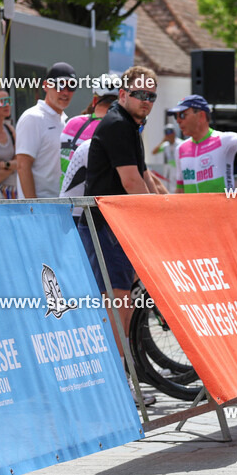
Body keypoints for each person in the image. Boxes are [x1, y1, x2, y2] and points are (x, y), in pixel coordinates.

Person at [82, 65, 167, 361]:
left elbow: (144, 175)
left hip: (120, 223)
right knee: (118, 302)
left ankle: (130, 370)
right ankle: (123, 377)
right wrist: (157, 219)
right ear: (122, 94)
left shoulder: (131, 124)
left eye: (152, 96)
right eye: (139, 94)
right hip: (106, 224)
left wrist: (166, 203)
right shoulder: (117, 123)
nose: (146, 100)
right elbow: (131, 182)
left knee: (124, 299)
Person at [59, 74, 122, 218]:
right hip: (92, 214)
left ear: (94, 100)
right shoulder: (114, 129)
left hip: (63, 206)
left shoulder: (72, 123)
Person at [169, 94, 237, 193]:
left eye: (182, 115)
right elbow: (180, 189)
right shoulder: (181, 148)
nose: (178, 120)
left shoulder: (223, 140)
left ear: (201, 116)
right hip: (193, 208)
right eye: (176, 116)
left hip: (223, 207)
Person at [16, 62, 75, 198]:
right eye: (60, 85)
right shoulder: (33, 117)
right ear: (46, 86)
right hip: (40, 209)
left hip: (59, 205)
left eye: (71, 86)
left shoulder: (65, 121)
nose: (65, 92)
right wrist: (34, 208)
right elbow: (22, 166)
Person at [152, 126, 179, 190]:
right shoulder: (165, 145)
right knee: (172, 189)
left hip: (179, 169)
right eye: (167, 133)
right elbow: (154, 152)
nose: (169, 135)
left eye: (170, 133)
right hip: (171, 170)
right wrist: (162, 141)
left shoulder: (180, 143)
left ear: (174, 133)